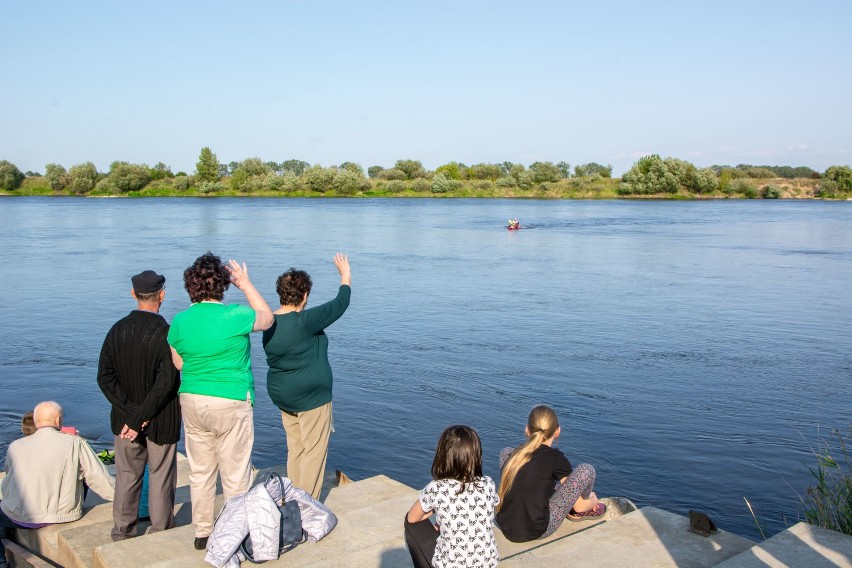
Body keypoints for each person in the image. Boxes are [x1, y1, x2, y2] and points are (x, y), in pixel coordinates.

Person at [168, 253, 273, 550]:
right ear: (223, 286)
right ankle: (233, 531)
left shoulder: (179, 321)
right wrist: (247, 284)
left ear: (191, 287)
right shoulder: (236, 315)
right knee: (235, 473)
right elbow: (267, 318)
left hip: (191, 400)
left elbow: (179, 364)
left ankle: (202, 532)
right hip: (231, 399)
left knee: (201, 471)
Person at [97, 269, 181, 541]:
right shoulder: (166, 333)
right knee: (160, 477)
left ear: (133, 294)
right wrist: (142, 417)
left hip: (124, 420)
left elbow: (104, 377)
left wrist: (132, 416)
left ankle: (122, 532)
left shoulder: (116, 330)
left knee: (126, 476)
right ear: (162, 296)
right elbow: (167, 382)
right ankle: (159, 533)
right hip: (161, 419)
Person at [262, 253, 351, 499]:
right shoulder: (304, 321)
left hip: (284, 396)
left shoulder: (268, 322)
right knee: (313, 451)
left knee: (296, 448)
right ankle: (305, 506)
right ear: (305, 295)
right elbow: (340, 304)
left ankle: (291, 497)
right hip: (311, 398)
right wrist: (345, 276)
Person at [0, 401, 115, 568]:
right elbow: (98, 478)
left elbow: (10, 477)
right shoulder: (75, 443)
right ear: (58, 420)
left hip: (18, 516)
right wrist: (121, 497)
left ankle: (2, 562)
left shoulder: (15, 446)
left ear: (37, 421)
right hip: (63, 514)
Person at [495, 405, 605, 543]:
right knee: (586, 470)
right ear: (557, 431)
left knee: (506, 451)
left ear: (527, 430)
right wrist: (593, 499)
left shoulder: (515, 454)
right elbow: (578, 504)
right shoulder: (556, 459)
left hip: (503, 522)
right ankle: (582, 512)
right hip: (536, 530)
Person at [404, 425, 499, 568]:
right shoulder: (488, 483)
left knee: (409, 523)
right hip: (488, 563)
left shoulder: (437, 488)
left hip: (451, 565)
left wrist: (438, 513)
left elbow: (413, 518)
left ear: (443, 456)